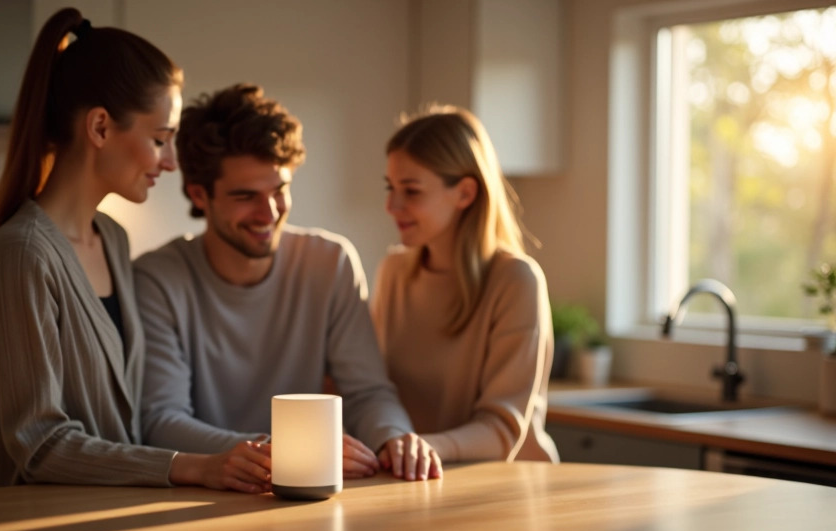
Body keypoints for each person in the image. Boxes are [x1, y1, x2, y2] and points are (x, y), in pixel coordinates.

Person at [0, 9, 272, 493]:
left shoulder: (112, 239)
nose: (171, 163)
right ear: (99, 127)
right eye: (160, 140)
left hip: (108, 527)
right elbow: (40, 444)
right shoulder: (24, 253)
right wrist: (196, 466)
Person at [134, 83, 442, 484]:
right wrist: (286, 450)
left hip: (307, 493)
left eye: (279, 190)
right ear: (199, 194)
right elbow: (161, 420)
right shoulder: (157, 279)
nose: (269, 212)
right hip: (205, 495)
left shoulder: (330, 263)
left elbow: (368, 393)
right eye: (246, 196)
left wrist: (395, 438)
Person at [372, 105, 559, 463]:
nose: (391, 205)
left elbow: (503, 429)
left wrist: (421, 448)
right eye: (390, 187)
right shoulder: (392, 272)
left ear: (465, 194)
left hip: (505, 491)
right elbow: (373, 390)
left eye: (411, 191)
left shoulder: (516, 280)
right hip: (418, 477)